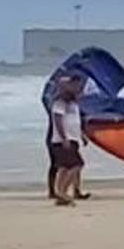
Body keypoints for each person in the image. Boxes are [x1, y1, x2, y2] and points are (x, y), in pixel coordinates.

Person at [48, 77, 87, 206]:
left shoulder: (74, 104)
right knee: (77, 165)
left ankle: (61, 195)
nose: (78, 90)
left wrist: (82, 135)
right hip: (63, 140)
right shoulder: (60, 102)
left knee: (64, 168)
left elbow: (75, 121)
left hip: (73, 139)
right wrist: (64, 138)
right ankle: (63, 193)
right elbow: (58, 120)